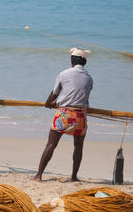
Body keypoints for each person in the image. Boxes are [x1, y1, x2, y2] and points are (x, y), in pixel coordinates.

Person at [33, 48, 93, 182]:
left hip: (65, 114)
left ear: (72, 61)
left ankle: (39, 175)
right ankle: (73, 176)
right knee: (78, 146)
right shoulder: (89, 78)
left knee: (51, 144)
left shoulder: (64, 74)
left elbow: (55, 92)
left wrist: (48, 103)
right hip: (80, 116)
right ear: (84, 63)